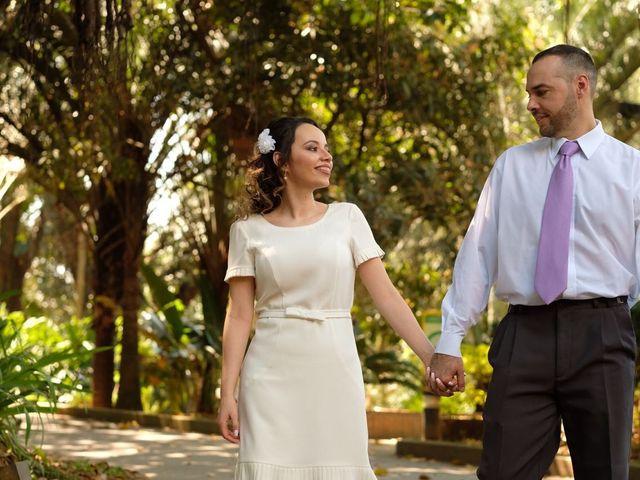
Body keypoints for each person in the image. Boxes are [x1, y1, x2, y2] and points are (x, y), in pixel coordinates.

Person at [427, 44, 640, 479]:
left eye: (541, 92)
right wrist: (449, 341)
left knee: (605, 472)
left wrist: (607, 313)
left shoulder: (632, 169)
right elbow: (478, 254)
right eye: (529, 93)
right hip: (523, 336)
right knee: (502, 471)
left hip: (602, 335)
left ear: (581, 86)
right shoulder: (511, 166)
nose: (531, 104)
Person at [217, 116, 435, 479]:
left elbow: (387, 297)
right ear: (281, 160)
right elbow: (239, 316)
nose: (326, 156)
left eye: (327, 148)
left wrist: (430, 357)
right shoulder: (246, 231)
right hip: (269, 377)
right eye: (312, 148)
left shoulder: (347, 218)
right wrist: (227, 393)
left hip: (334, 369)